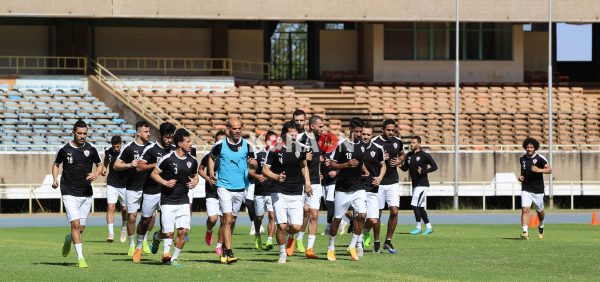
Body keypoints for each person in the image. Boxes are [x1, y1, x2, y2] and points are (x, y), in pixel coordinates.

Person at [52, 120, 103, 268]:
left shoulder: (91, 149)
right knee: (75, 224)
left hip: (86, 192)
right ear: (73, 132)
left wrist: (96, 174)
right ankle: (81, 258)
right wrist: (55, 179)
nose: (82, 136)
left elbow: (100, 165)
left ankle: (69, 239)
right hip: (68, 191)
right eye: (79, 133)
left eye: (84, 134)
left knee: (80, 229)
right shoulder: (64, 149)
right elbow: (56, 164)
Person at [208, 118, 257, 264]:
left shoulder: (247, 145)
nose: (237, 131)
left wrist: (253, 163)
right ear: (228, 129)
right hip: (223, 186)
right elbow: (211, 158)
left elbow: (253, 162)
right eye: (234, 128)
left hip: (240, 187)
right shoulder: (219, 145)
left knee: (231, 220)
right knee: (227, 218)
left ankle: (224, 248)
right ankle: (229, 251)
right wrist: (211, 172)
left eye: (239, 128)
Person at [262, 121, 312, 263]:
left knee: (296, 227)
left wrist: (307, 183)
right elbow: (265, 169)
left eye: (296, 134)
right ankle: (282, 252)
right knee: (282, 225)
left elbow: (304, 166)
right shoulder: (275, 149)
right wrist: (276, 177)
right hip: (279, 191)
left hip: (296, 191)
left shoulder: (301, 148)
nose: (294, 136)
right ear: (284, 135)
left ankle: (288, 237)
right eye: (291, 134)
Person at [150, 128, 199, 268]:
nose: (190, 144)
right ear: (179, 143)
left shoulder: (192, 160)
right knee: (168, 233)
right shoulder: (167, 159)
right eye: (188, 141)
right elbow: (154, 174)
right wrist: (165, 182)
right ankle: (157, 237)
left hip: (183, 200)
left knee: (183, 231)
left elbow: (195, 176)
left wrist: (195, 182)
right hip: (168, 200)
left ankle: (173, 259)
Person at [133, 122, 176, 263]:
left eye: (172, 137)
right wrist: (158, 164)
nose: (170, 140)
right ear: (160, 135)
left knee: (168, 224)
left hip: (168, 192)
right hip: (151, 190)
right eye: (167, 137)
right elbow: (139, 166)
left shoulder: (175, 150)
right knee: (145, 220)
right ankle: (138, 247)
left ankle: (164, 250)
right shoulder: (152, 149)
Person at [327, 117, 367, 262]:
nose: (359, 134)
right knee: (337, 220)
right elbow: (331, 164)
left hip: (358, 188)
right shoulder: (342, 145)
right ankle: (331, 247)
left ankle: (353, 245)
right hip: (343, 189)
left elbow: (360, 162)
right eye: (357, 131)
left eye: (361, 132)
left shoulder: (363, 145)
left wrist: (365, 170)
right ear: (350, 129)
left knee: (362, 216)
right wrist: (346, 165)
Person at [113, 121, 151, 256]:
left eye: (149, 131)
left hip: (148, 188)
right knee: (132, 217)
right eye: (146, 131)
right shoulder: (129, 147)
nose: (148, 134)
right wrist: (130, 165)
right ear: (138, 133)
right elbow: (116, 165)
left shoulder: (151, 147)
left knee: (150, 217)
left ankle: (145, 239)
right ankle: (131, 244)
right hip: (132, 188)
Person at [371, 119, 404, 254]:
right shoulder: (375, 142)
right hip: (379, 183)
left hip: (393, 182)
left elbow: (402, 154)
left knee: (394, 211)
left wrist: (399, 161)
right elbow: (368, 159)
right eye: (388, 130)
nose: (391, 132)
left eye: (392, 130)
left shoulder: (398, 141)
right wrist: (379, 158)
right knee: (377, 214)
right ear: (383, 129)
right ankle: (377, 242)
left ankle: (388, 241)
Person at [295, 115, 325, 258]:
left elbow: (314, 161)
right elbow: (300, 163)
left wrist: (319, 172)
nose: (322, 129)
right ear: (312, 126)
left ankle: (309, 249)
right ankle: (292, 239)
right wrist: (306, 182)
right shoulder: (300, 138)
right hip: (300, 182)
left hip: (315, 182)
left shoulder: (317, 140)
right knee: (301, 212)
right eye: (320, 126)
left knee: (314, 214)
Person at [401, 136, 438, 236]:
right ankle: (429, 227)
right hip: (415, 185)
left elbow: (435, 167)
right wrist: (399, 164)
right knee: (420, 207)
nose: (411, 144)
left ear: (419, 144)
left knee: (414, 205)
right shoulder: (408, 155)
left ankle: (418, 227)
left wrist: (424, 171)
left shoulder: (424, 155)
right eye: (411, 142)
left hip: (423, 185)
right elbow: (405, 168)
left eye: (413, 142)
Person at [198, 130, 226, 254]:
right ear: (215, 142)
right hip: (211, 190)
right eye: (218, 140)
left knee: (224, 219)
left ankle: (219, 245)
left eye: (223, 140)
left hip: (225, 189)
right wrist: (208, 178)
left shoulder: (229, 155)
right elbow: (200, 170)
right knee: (213, 218)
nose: (221, 143)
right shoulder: (209, 155)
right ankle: (209, 230)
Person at [360, 123, 386, 255]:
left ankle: (365, 231)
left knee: (373, 220)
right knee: (359, 216)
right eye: (363, 134)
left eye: (368, 134)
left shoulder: (377, 149)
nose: (365, 136)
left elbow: (383, 166)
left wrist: (380, 177)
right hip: (357, 188)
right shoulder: (354, 147)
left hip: (372, 188)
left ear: (372, 135)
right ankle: (357, 245)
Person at [518, 137, 551, 240]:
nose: (529, 148)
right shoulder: (522, 159)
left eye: (531, 147)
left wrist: (538, 170)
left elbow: (549, 170)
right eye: (527, 147)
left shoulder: (541, 158)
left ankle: (541, 225)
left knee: (539, 211)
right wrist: (520, 177)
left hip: (538, 190)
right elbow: (523, 172)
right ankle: (525, 232)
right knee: (525, 210)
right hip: (526, 188)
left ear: (535, 148)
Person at [251, 131, 278, 251]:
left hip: (272, 190)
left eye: (274, 140)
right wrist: (257, 176)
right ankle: (257, 234)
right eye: (270, 139)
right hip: (259, 191)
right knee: (259, 217)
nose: (272, 142)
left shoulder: (278, 154)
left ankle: (270, 240)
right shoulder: (259, 155)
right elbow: (249, 170)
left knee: (272, 215)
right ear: (265, 141)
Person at [102, 135, 128, 243]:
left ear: (121, 144)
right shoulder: (108, 152)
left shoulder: (126, 152)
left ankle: (124, 227)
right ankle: (111, 233)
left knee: (125, 209)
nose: (116, 149)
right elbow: (105, 164)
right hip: (112, 183)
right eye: (114, 147)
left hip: (125, 184)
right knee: (111, 207)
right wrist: (104, 169)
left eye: (118, 146)